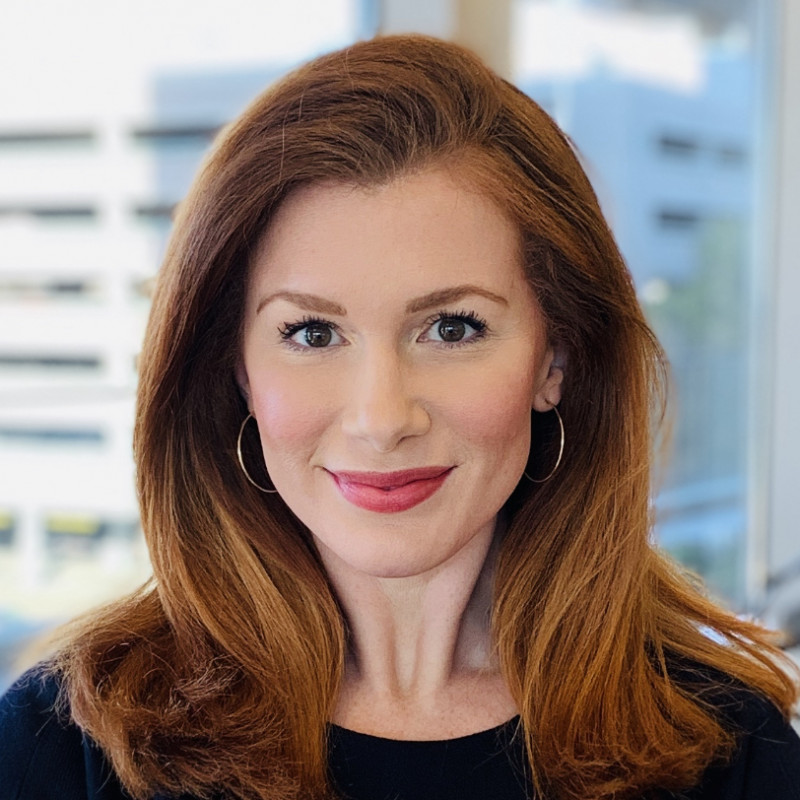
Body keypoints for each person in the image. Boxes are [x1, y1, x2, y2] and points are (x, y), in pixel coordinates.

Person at [1, 34, 798, 800]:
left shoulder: (730, 754)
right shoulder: (61, 750)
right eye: (312, 332)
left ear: (554, 362)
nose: (382, 417)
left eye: (453, 327)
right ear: (236, 372)